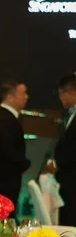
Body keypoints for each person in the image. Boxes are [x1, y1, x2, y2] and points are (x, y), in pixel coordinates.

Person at [0, 79, 31, 220]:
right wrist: (25, 163)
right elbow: (7, 152)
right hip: (4, 184)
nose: (26, 97)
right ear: (10, 97)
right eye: (23, 93)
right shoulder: (6, 120)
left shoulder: (0, 117)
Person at [50, 74, 76, 224]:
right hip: (68, 180)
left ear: (70, 92)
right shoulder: (71, 113)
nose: (60, 98)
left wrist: (57, 163)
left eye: (61, 94)